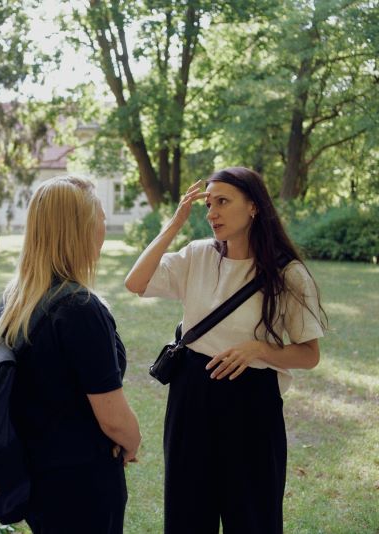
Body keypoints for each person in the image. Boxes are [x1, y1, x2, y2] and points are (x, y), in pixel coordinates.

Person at [124, 167, 326, 534]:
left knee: (253, 517)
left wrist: (258, 350)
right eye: (208, 203)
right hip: (191, 395)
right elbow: (135, 282)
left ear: (253, 207)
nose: (211, 212)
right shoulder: (197, 255)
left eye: (222, 202)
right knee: (187, 516)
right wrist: (173, 224)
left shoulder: (289, 275)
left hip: (252, 404)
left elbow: (309, 354)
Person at [0, 175, 142, 534]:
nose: (105, 229)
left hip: (37, 472)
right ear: (82, 230)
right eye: (101, 219)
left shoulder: (16, 298)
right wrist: (132, 442)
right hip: (81, 481)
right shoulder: (80, 308)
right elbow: (113, 418)